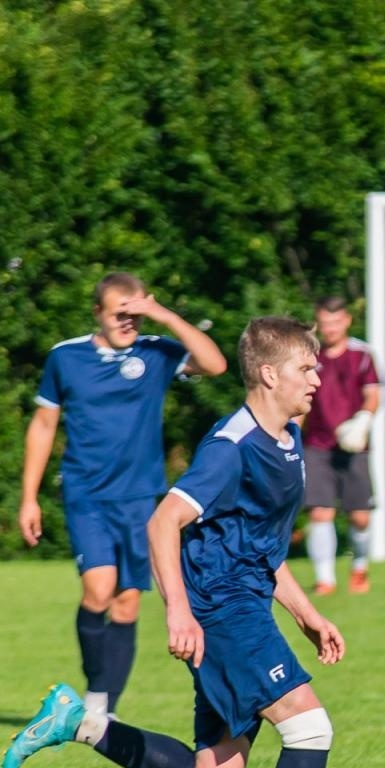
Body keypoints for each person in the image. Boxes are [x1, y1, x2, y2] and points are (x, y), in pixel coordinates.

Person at [5, 316, 347, 768]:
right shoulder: (230, 447)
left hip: (242, 603)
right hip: (222, 612)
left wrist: (306, 613)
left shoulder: (288, 441)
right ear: (270, 374)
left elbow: (259, 548)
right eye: (306, 368)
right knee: (310, 728)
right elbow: (163, 522)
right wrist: (180, 614)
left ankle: (78, 723)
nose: (317, 378)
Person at [18, 273, 228, 720]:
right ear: (98, 313)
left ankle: (102, 708)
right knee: (97, 590)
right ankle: (96, 682)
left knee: (128, 600)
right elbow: (42, 426)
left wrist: (163, 314)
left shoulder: (155, 352)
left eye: (134, 313)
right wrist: (29, 498)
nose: (128, 322)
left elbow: (215, 365)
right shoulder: (66, 358)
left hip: (140, 498)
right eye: (120, 313)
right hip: (87, 493)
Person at [301, 296, 381, 595]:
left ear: (347, 320)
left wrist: (361, 421)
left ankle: (359, 567)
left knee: (360, 517)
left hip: (353, 448)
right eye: (325, 323)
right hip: (317, 445)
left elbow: (373, 395)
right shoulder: (311, 355)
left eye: (335, 322)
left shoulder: (362, 355)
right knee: (320, 512)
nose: (330, 329)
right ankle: (326, 580)